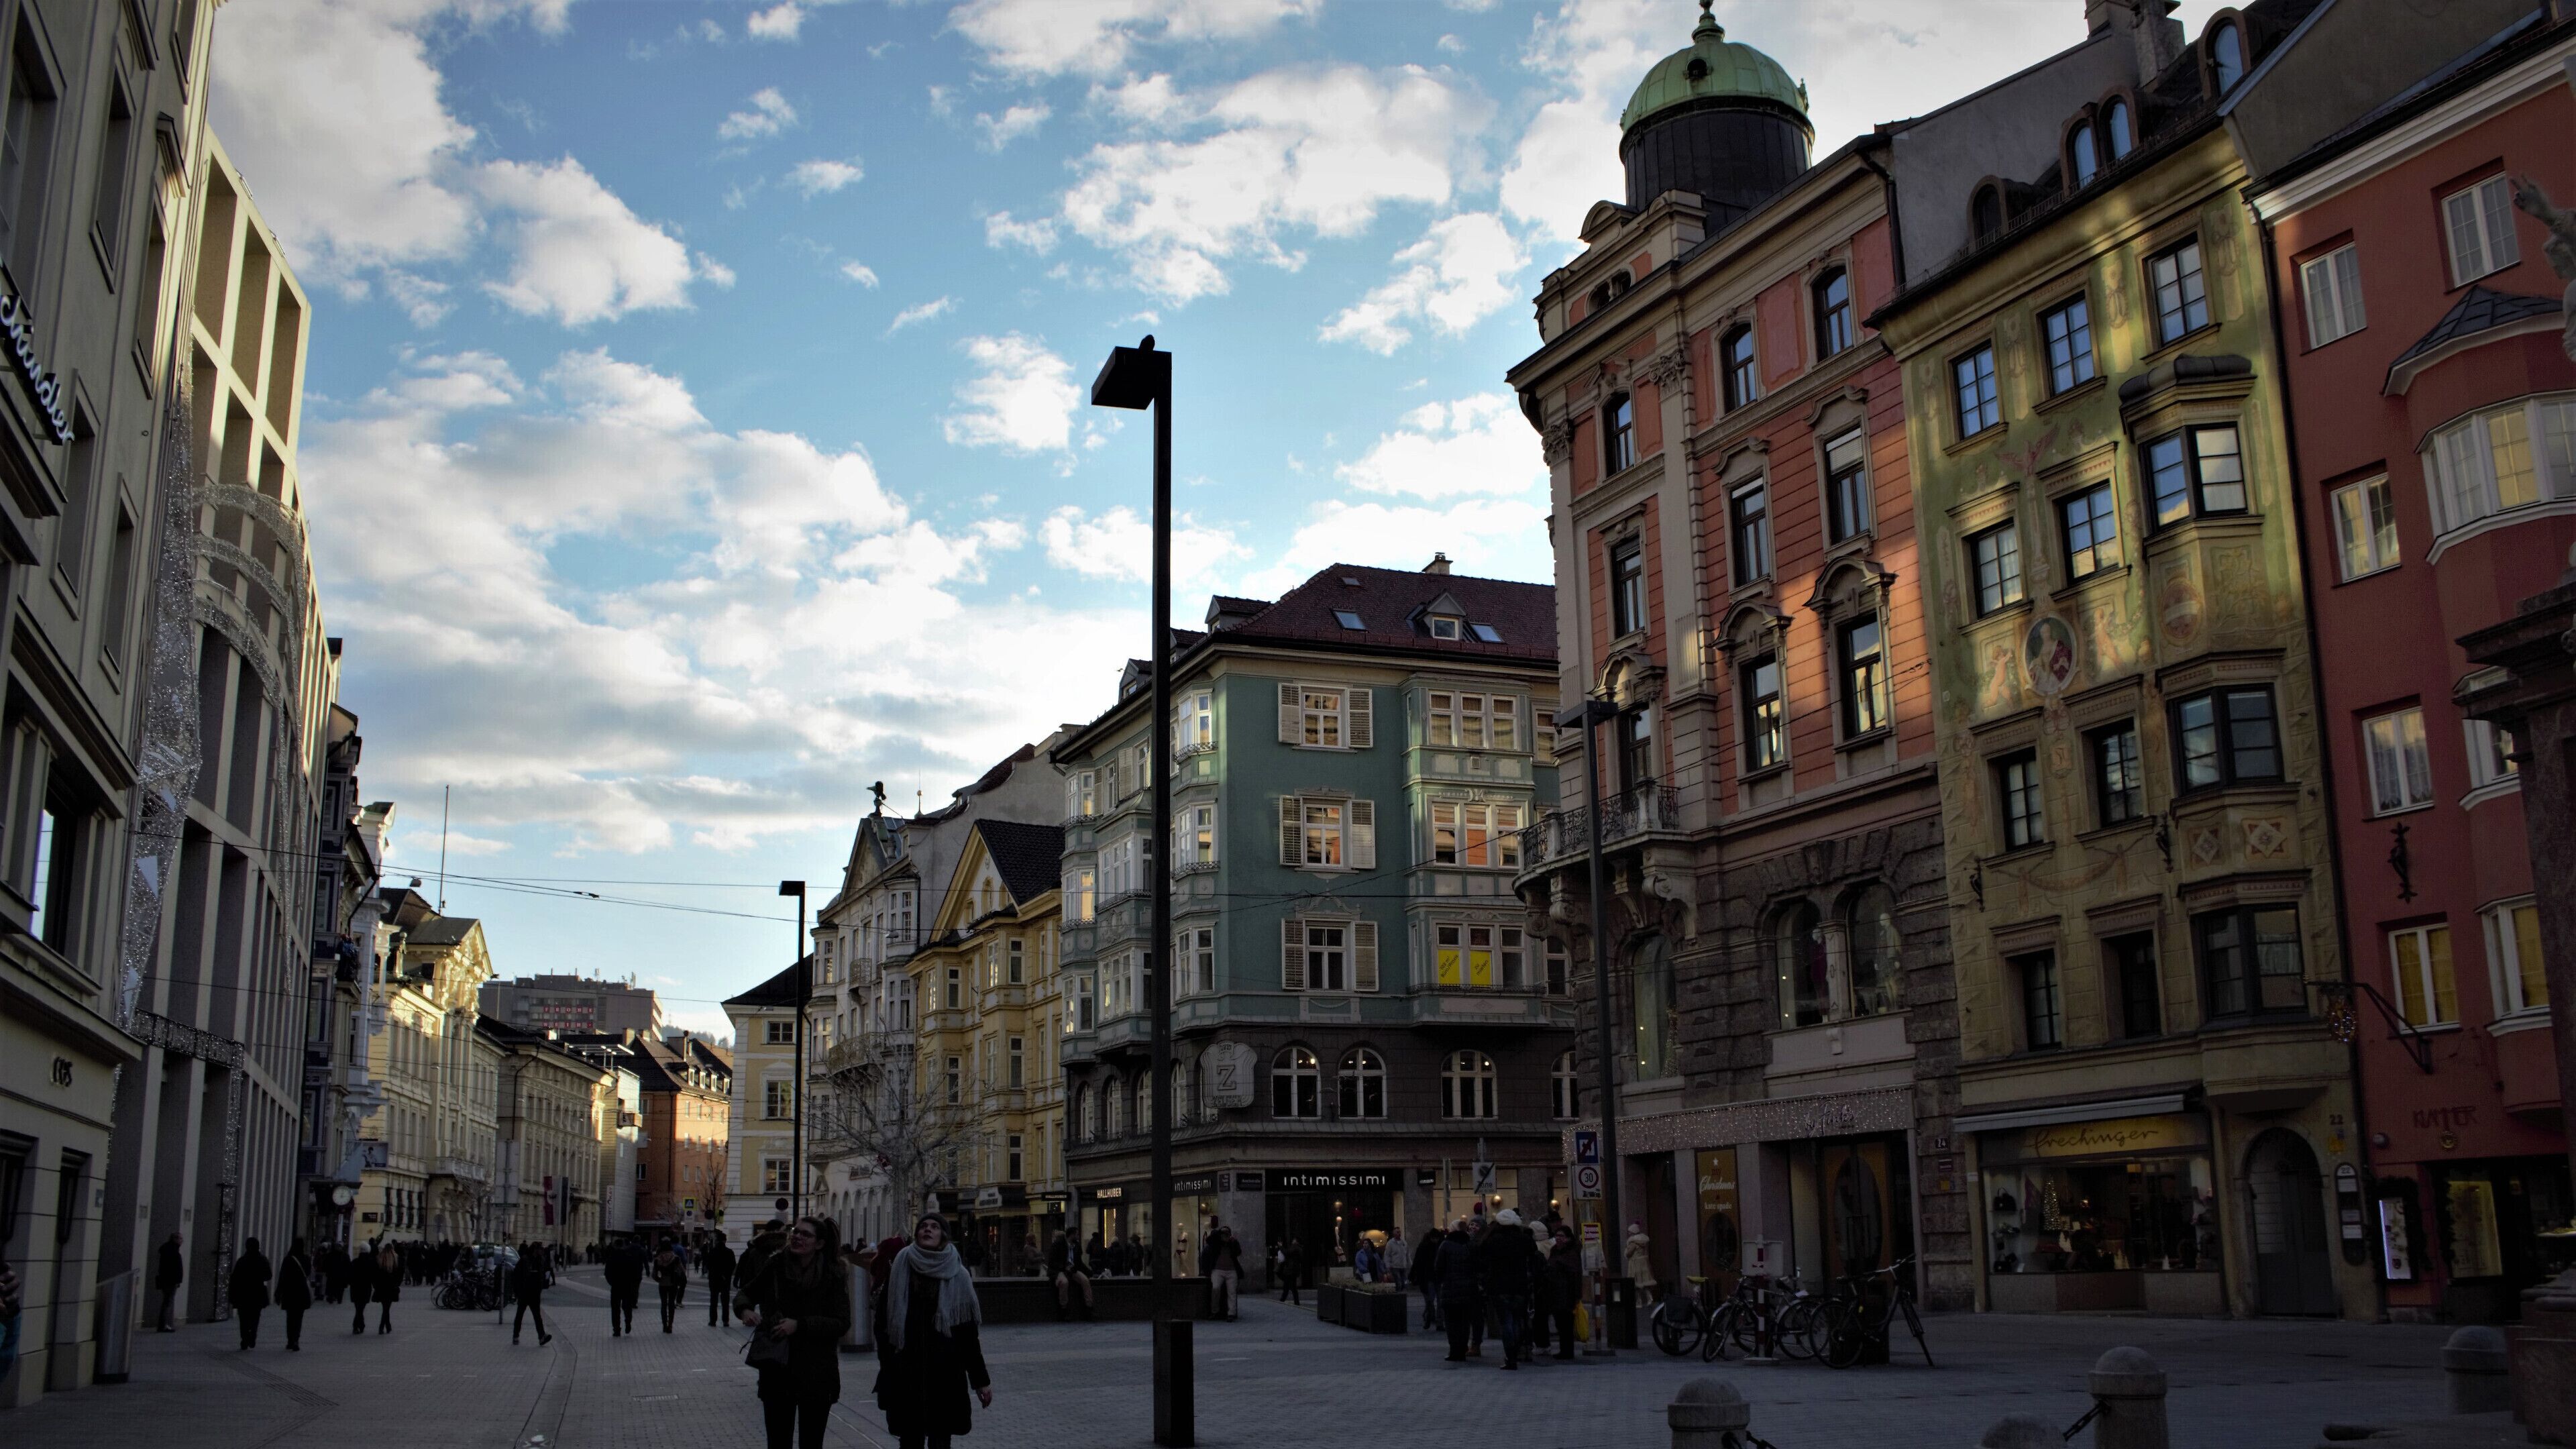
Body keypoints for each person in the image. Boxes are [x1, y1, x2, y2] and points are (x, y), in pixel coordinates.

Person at [871, 1214, 992, 1449]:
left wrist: (981, 1381)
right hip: (906, 1372)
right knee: (909, 1441)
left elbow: (968, 1337)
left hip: (945, 1375)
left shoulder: (959, 1274)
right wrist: (889, 1362)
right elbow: (882, 1322)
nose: (928, 1230)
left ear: (943, 1235)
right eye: (923, 1226)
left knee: (941, 1441)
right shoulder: (901, 1267)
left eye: (935, 1227)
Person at [736, 1217, 855, 1449]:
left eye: (805, 1234)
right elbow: (746, 1293)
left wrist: (800, 1325)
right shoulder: (776, 1266)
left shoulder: (833, 1274)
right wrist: (745, 1310)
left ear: (819, 1244)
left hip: (817, 1371)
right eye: (796, 1231)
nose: (798, 1237)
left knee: (812, 1442)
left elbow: (842, 1323)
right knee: (778, 1441)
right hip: (778, 1368)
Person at [1477, 1210, 1540, 1369]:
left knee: (1506, 1322)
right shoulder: (1524, 1240)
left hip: (1499, 1286)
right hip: (1520, 1286)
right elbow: (1534, 1259)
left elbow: (1482, 1261)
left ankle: (1510, 1357)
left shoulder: (1492, 1240)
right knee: (1518, 1320)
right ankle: (1516, 1352)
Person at [1433, 1225, 1481, 1362]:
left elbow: (1439, 1267)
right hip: (1468, 1290)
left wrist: (1441, 1281)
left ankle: (1455, 1350)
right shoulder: (1470, 1246)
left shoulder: (1445, 1245)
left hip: (1450, 1289)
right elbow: (1478, 1266)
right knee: (1464, 1321)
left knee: (1451, 1322)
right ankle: (1463, 1347)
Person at [229, 1238, 273, 1350]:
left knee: (243, 1317)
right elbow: (269, 1275)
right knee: (255, 1316)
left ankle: (245, 1339)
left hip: (243, 1293)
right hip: (257, 1292)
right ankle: (252, 1335)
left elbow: (235, 1278)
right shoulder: (262, 1260)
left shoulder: (242, 1261)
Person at [511, 1242, 553, 1346]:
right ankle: (516, 1336)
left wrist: (542, 1287)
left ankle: (542, 1336)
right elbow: (516, 1276)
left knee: (537, 1316)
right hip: (525, 1292)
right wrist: (517, 1292)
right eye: (540, 1249)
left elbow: (542, 1275)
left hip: (535, 1294)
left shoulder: (540, 1260)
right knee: (520, 1314)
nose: (542, 1251)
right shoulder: (525, 1260)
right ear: (535, 1250)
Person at [603, 1236, 647, 1336]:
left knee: (615, 1309)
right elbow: (634, 1272)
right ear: (623, 1245)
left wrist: (612, 1283)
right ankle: (628, 1322)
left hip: (616, 1286)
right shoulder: (629, 1257)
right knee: (627, 1307)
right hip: (627, 1286)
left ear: (615, 1246)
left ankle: (617, 1330)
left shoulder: (611, 1258)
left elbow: (607, 1273)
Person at [276, 1238, 314, 1352]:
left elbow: (282, 1276)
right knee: (299, 1317)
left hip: (290, 1291)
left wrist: (278, 1292)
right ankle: (296, 1339)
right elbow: (308, 1273)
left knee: (290, 1317)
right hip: (301, 1291)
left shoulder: (288, 1259)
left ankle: (290, 1340)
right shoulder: (306, 1259)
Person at [1046, 1231, 1093, 1322]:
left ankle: (1089, 1307)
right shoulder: (1058, 1245)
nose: (1079, 1236)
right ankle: (1063, 1309)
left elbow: (1079, 1263)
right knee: (1064, 1282)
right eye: (1077, 1234)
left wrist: (1090, 1273)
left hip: (1072, 1270)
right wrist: (1064, 1268)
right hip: (1059, 1271)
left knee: (1085, 1280)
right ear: (1072, 1235)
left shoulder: (1076, 1246)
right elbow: (1052, 1262)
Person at [653, 1234, 689, 1333]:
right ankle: (670, 1325)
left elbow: (654, 1274)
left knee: (664, 1304)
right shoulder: (676, 1258)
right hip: (673, 1283)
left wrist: (659, 1279)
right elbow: (682, 1271)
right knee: (671, 1304)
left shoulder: (658, 1259)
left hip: (663, 1284)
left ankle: (664, 1325)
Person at [1204, 1228, 1242, 1322]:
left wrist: (1233, 1241)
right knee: (1216, 1288)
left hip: (1232, 1271)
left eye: (1227, 1234)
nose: (1226, 1236)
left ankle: (1231, 1314)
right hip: (1218, 1270)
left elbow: (1239, 1252)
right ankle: (1214, 1311)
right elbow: (1208, 1240)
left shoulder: (1233, 1243)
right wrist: (1219, 1235)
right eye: (1224, 1234)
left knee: (1232, 1292)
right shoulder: (1217, 1243)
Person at [703, 1234, 739, 1327]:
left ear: (717, 1241)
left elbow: (708, 1264)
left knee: (713, 1302)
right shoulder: (729, 1252)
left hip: (714, 1279)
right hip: (725, 1280)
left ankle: (713, 1321)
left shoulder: (712, 1251)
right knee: (725, 1302)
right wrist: (727, 1274)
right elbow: (733, 1265)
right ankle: (725, 1321)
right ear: (725, 1241)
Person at [154, 1232, 184, 1332]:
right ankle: (163, 1325)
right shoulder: (172, 1251)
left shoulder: (168, 1249)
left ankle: (164, 1324)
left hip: (167, 1280)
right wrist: (177, 1280)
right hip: (170, 1281)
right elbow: (174, 1268)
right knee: (167, 1303)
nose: (181, 1241)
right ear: (175, 1239)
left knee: (167, 1302)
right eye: (180, 1239)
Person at [1624, 1221, 1656, 1301]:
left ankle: (1639, 1301)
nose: (1629, 1233)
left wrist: (1626, 1250)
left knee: (1636, 1284)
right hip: (1643, 1264)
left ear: (1633, 1232)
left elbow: (1628, 1254)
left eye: (1630, 1232)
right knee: (1644, 1283)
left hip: (1635, 1264)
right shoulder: (1642, 1241)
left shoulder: (1633, 1243)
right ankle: (1650, 1298)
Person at [373, 1242, 401, 1334]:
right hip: (391, 1286)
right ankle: (382, 1327)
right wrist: (398, 1283)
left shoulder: (380, 1257)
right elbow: (398, 1272)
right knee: (387, 1308)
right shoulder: (395, 1257)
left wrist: (375, 1285)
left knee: (385, 1307)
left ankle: (388, 1326)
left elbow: (376, 1272)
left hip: (381, 1286)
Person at [350, 1239, 376, 1335]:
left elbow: (350, 1275)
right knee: (361, 1308)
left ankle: (359, 1325)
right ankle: (358, 1325)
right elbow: (373, 1276)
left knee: (358, 1308)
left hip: (355, 1288)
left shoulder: (355, 1262)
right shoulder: (371, 1262)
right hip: (366, 1288)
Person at [1274, 1238, 1303, 1305]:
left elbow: (1287, 1253)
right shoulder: (1299, 1249)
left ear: (1296, 1241)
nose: (1293, 1241)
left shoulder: (1295, 1248)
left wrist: (1281, 1246)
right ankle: (1294, 1302)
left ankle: (1284, 1300)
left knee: (1289, 1286)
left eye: (1294, 1240)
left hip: (1290, 1270)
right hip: (1293, 1270)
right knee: (1290, 1286)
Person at [1382, 1227, 1411, 1292]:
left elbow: (1407, 1255)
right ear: (1394, 1233)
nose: (1399, 1233)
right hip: (1395, 1267)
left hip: (1403, 1266)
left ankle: (1403, 1293)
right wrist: (1388, 1266)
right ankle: (1399, 1293)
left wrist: (1409, 1264)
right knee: (1398, 1282)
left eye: (1399, 1232)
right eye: (1397, 1232)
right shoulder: (1390, 1243)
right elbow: (1387, 1255)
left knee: (1405, 1283)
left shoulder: (1404, 1243)